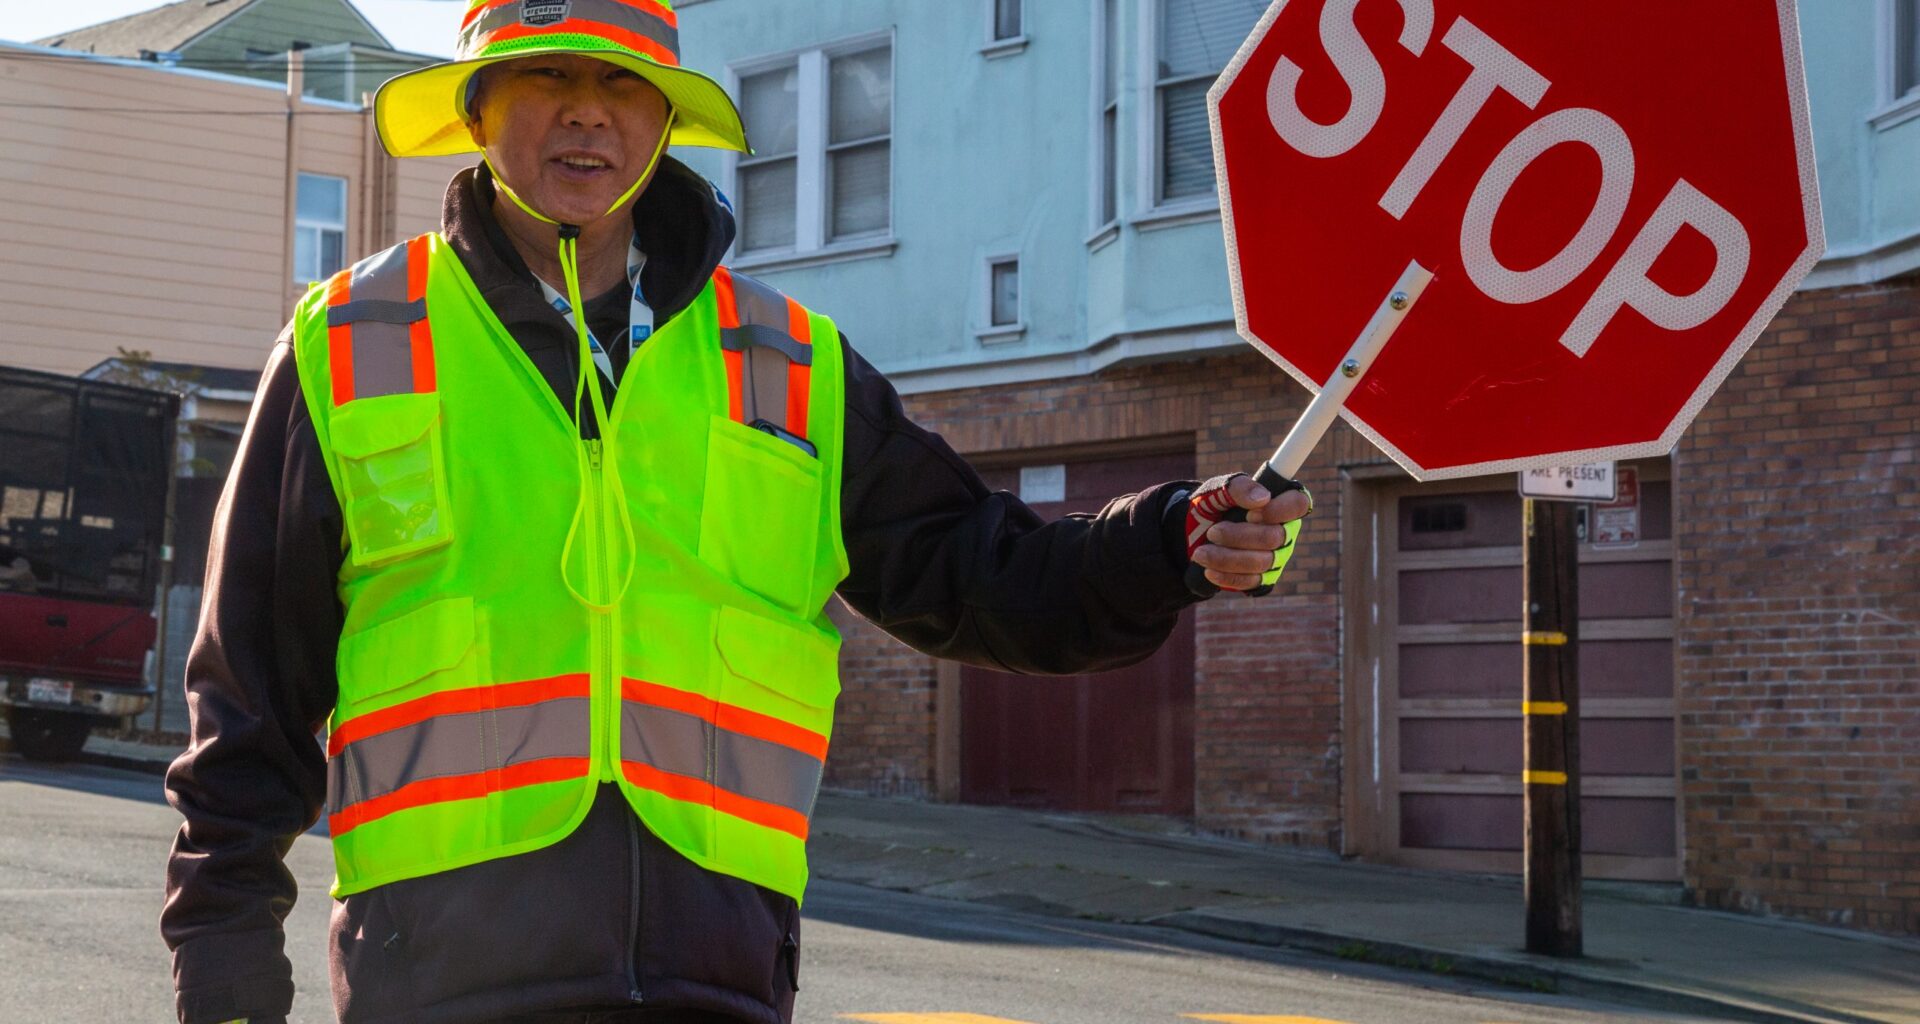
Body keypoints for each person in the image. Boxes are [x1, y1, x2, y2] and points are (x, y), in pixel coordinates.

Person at [160, 3, 1309, 1023]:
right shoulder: (348, 343)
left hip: (716, 975)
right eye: (547, 78)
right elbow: (250, 688)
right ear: (475, 108)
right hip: (440, 982)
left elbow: (983, 573)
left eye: (622, 86)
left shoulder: (792, 364)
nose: (587, 117)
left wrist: (1174, 541)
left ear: (664, 121)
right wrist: (222, 968)